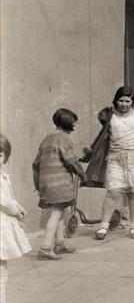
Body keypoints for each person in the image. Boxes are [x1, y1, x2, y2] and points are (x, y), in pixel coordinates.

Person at [85, 86, 134, 241]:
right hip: (115, 157)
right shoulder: (109, 115)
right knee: (113, 192)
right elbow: (102, 122)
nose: (124, 104)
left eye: (127, 101)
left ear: (133, 102)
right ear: (116, 100)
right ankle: (103, 225)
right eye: (121, 100)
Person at [32, 108, 85, 260]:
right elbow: (70, 160)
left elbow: (35, 164)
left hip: (46, 182)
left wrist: (38, 184)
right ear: (68, 123)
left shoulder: (46, 139)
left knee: (59, 211)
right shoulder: (64, 138)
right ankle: (46, 247)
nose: (76, 125)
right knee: (56, 214)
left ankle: (60, 243)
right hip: (59, 182)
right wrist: (81, 173)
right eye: (74, 122)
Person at [0, 134, 31, 303]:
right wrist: (16, 210)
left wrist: (18, 207)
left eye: (0, 153)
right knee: (1, 274)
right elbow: (3, 200)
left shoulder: (3, 175)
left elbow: (8, 198)